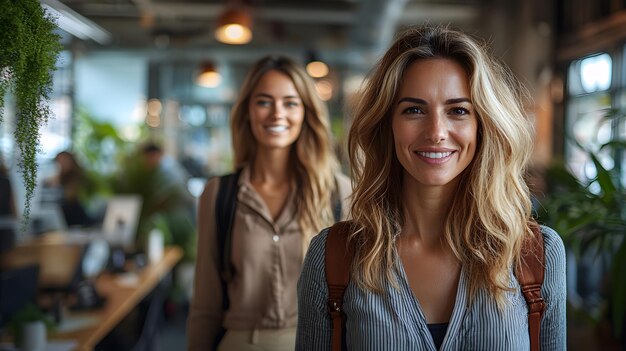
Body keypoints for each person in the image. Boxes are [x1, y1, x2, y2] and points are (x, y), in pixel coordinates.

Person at [296, 25, 566, 350]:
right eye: (414, 110)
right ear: (387, 125)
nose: (437, 131)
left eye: (458, 111)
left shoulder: (537, 255)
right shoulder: (333, 256)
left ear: (484, 126)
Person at [187, 55, 351, 351]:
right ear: (248, 111)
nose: (277, 114)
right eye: (264, 102)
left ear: (306, 113)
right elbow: (205, 303)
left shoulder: (340, 193)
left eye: (290, 103)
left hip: (318, 342)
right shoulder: (219, 194)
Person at [50, 151, 93, 227]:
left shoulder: (79, 177)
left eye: (63, 160)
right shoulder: (58, 178)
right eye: (59, 161)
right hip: (63, 220)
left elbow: (73, 198)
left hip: (79, 219)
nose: (61, 164)